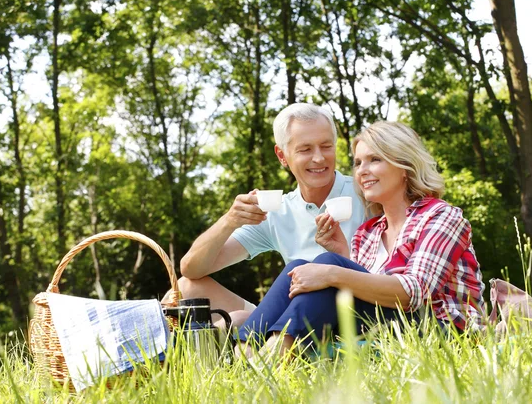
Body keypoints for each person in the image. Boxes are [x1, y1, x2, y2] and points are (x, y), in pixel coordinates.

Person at [236, 121, 486, 356]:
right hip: (388, 326)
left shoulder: (440, 216)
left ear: (404, 167)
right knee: (299, 266)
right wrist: (342, 255)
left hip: (445, 331)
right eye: (358, 163)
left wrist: (333, 271)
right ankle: (245, 352)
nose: (362, 171)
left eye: (374, 160)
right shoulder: (368, 232)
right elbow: (362, 294)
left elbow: (414, 294)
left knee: (326, 268)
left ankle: (272, 359)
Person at [174, 103, 366, 325]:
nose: (319, 158)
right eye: (305, 149)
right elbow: (192, 268)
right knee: (187, 287)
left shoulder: (366, 193)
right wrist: (229, 221)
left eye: (326, 146)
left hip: (354, 310)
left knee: (236, 320)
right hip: (291, 312)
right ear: (282, 156)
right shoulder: (276, 211)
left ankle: (247, 346)